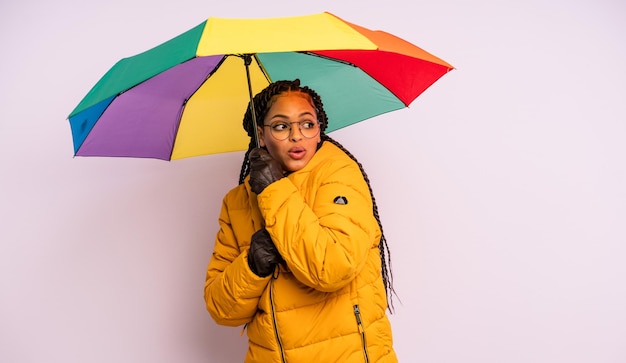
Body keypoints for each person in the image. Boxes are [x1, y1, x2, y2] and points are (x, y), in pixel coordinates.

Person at [204, 79, 397, 362]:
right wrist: (253, 265)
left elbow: (332, 267)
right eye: (281, 126)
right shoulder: (237, 202)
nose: (297, 135)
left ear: (319, 131)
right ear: (260, 134)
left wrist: (273, 190)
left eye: (307, 124)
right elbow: (222, 310)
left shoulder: (339, 175)